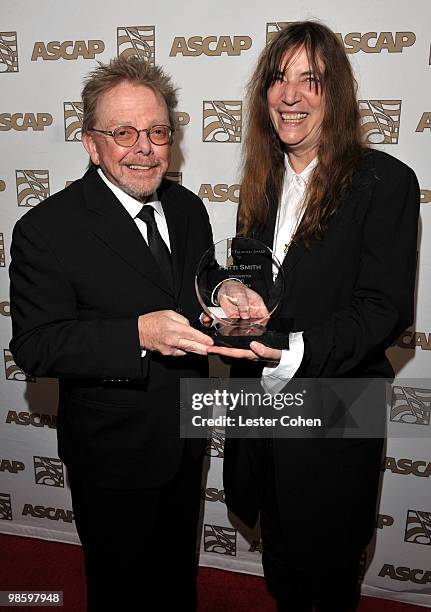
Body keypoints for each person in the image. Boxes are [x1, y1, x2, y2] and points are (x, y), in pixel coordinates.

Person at [208, 21, 420, 612]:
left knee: (324, 576)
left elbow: (385, 309)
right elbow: (253, 279)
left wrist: (296, 349)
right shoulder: (262, 182)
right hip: (259, 409)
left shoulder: (386, 182)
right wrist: (230, 289)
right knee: (279, 563)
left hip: (335, 409)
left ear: (337, 94)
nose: (290, 94)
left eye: (311, 79)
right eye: (278, 78)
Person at [9, 56, 215, 611]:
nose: (144, 147)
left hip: (186, 436)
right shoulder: (45, 230)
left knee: (176, 581)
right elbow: (35, 345)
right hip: (112, 455)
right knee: (121, 589)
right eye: (123, 132)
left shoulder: (189, 207)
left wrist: (223, 293)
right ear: (91, 143)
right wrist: (137, 334)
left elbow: (198, 278)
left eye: (156, 131)